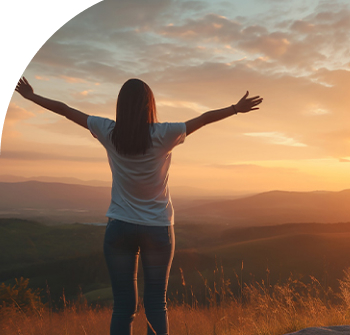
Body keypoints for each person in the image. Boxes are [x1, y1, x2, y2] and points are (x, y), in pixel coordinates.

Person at [15, 77, 262, 335]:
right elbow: (203, 119)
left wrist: (32, 97)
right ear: (149, 106)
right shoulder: (164, 134)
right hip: (157, 228)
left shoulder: (108, 131)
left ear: (121, 106)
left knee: (123, 307)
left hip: (119, 228)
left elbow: (66, 110)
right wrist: (235, 108)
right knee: (156, 304)